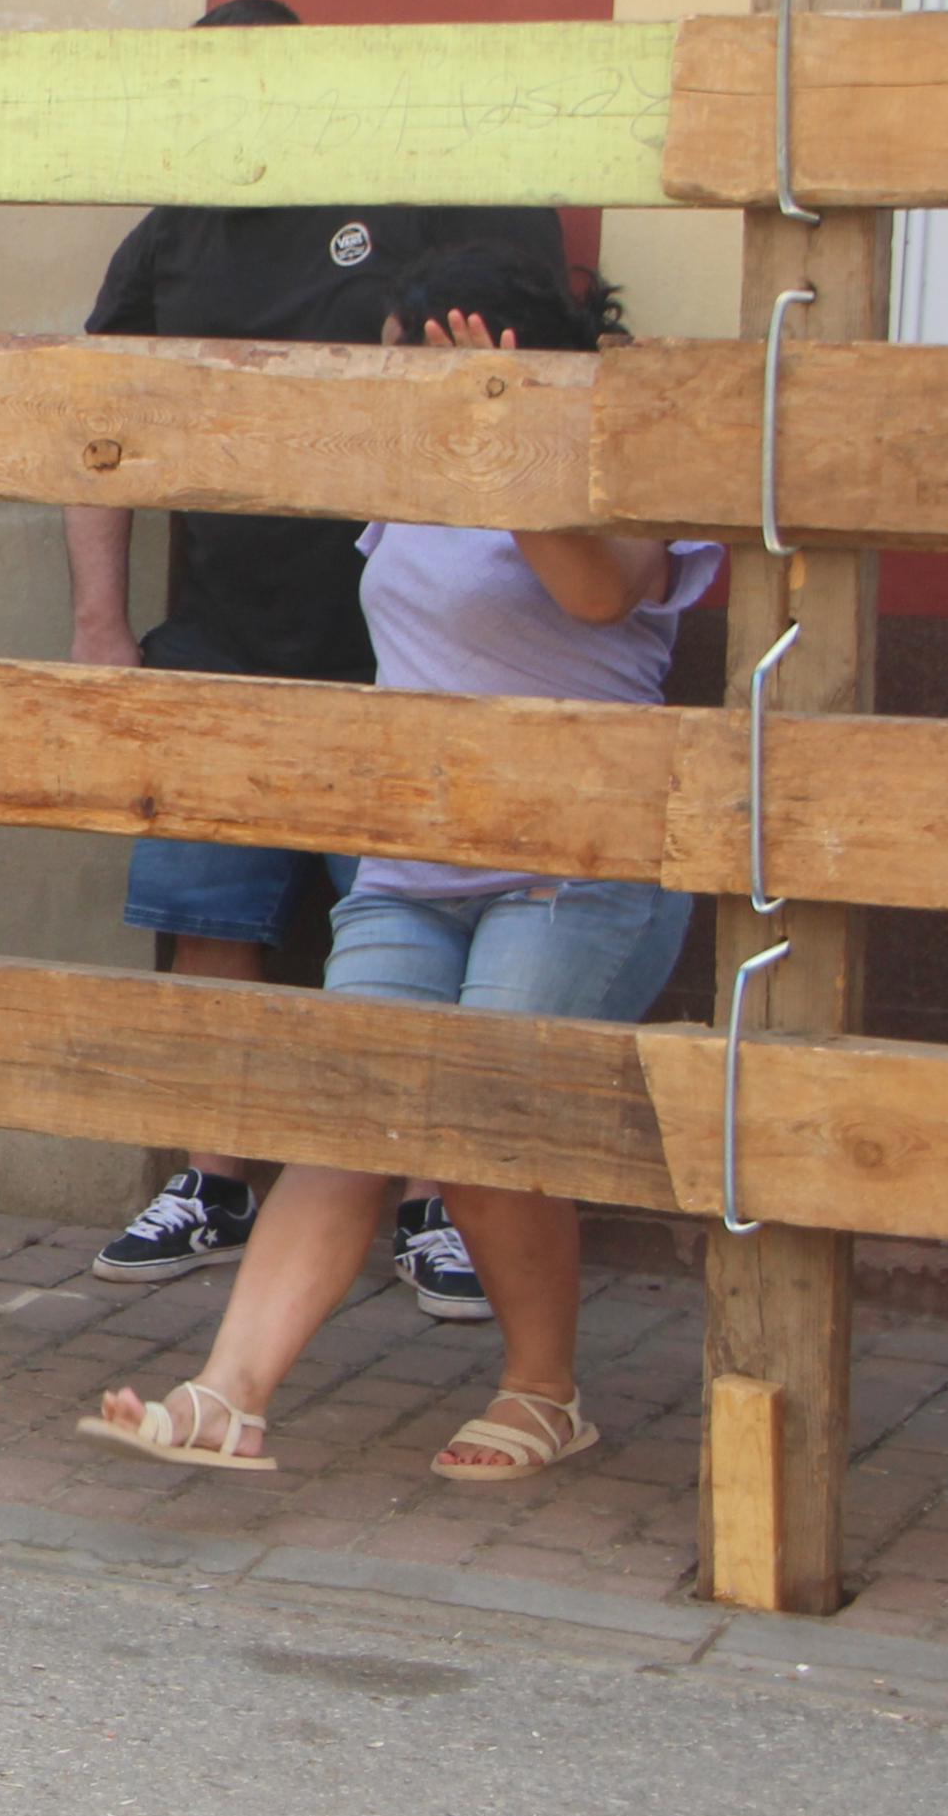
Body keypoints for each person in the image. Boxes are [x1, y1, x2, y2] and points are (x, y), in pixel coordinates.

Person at [82, 244, 703, 1483]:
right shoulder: (404, 479)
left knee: (479, 1122)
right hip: (412, 858)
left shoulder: (621, 471)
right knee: (344, 1114)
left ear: (506, 360)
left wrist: (508, 444)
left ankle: (542, 1392)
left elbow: (592, 597)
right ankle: (227, 1395)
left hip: (574, 864)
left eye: (417, 362)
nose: (391, 382)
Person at [66, 0, 567, 1319]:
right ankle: (211, 1176)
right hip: (224, 630)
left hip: (405, 642)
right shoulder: (175, 224)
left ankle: (434, 1203)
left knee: (419, 919)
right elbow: (89, 425)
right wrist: (98, 629)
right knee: (206, 910)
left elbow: (532, 378)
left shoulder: (421, 189)